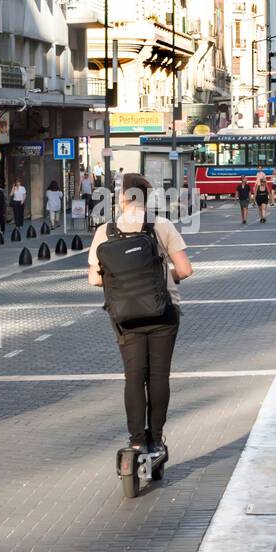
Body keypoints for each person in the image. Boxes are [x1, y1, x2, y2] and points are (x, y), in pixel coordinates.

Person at [87, 173, 194, 455]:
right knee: (159, 377)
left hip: (125, 317)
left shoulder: (105, 232)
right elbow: (184, 270)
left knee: (134, 377)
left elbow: (95, 280)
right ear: (145, 199)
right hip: (163, 313)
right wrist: (164, 275)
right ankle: (156, 440)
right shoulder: (161, 225)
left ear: (122, 198)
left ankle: (136, 440)